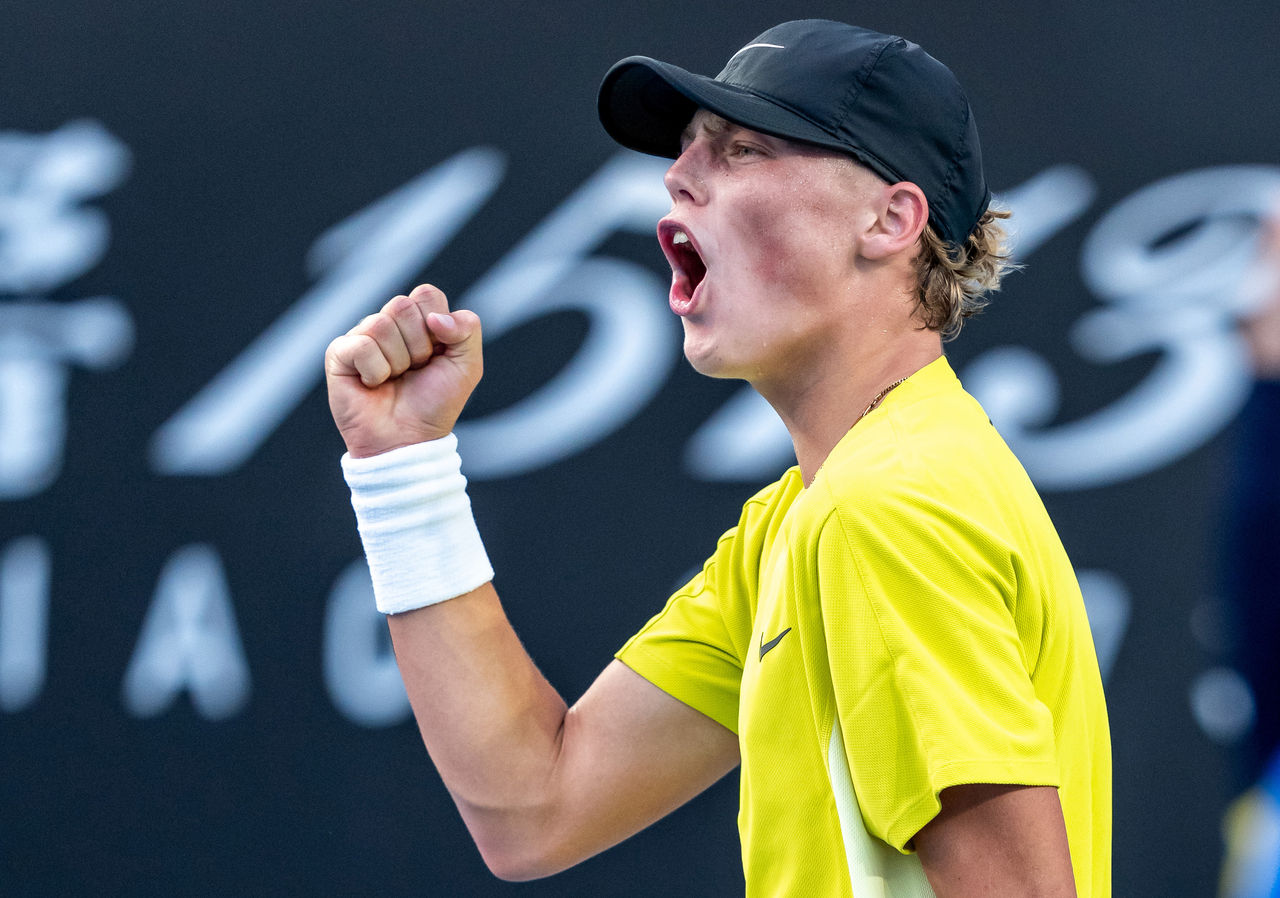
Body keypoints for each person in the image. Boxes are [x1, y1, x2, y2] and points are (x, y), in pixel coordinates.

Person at [325, 19, 1111, 897]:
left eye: (741, 150)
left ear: (890, 219)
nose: (676, 175)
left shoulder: (883, 512)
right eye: (689, 148)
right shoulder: (811, 517)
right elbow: (534, 808)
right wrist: (403, 466)